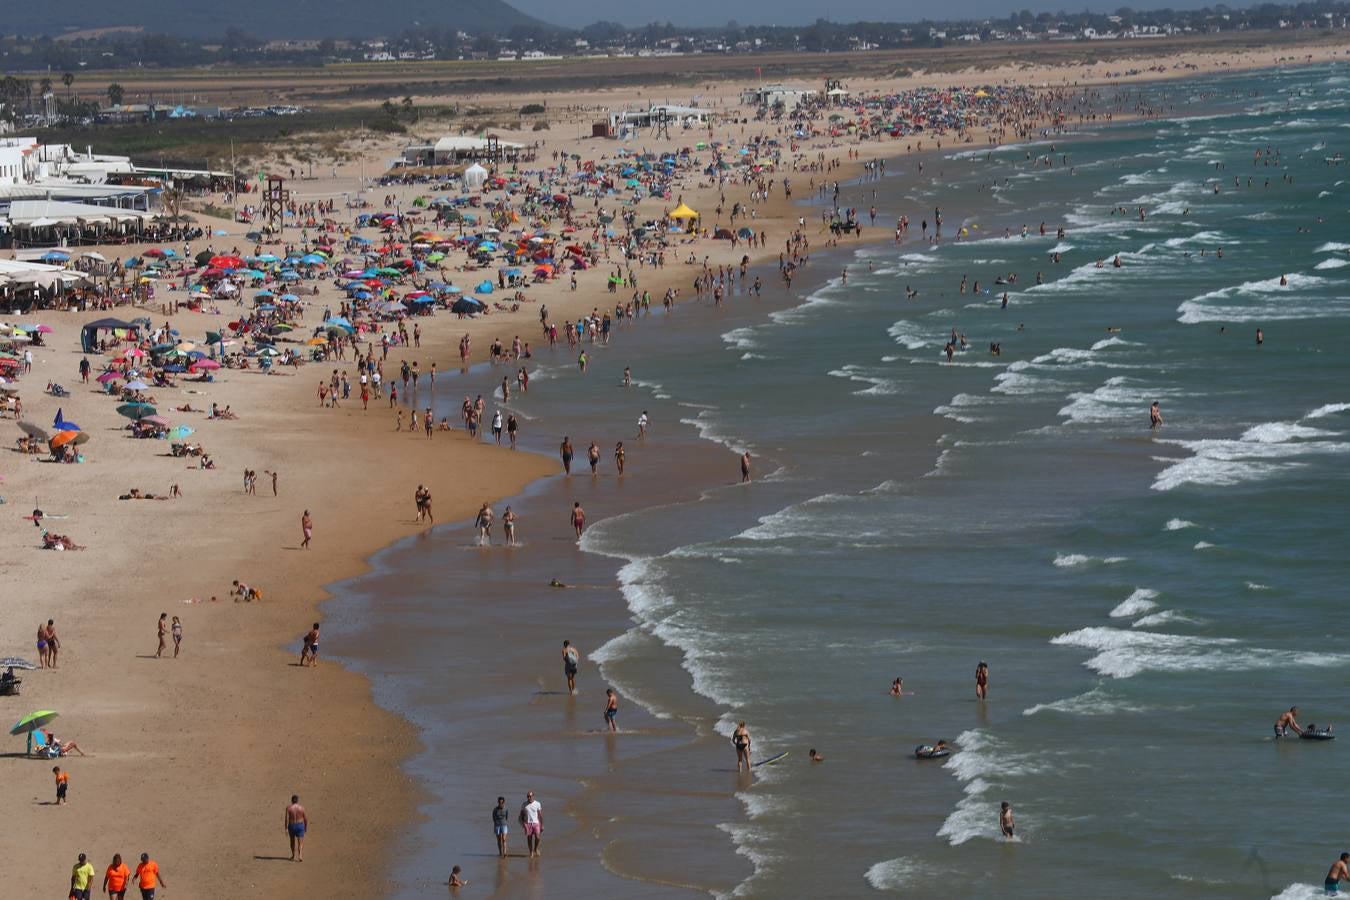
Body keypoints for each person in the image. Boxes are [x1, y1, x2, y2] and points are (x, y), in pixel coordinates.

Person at [285, 794, 308, 862]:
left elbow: (286, 819)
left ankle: (293, 855)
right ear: (297, 800)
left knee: (292, 842)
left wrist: (286, 828)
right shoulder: (301, 808)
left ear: (291, 800)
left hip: (291, 826)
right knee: (300, 842)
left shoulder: (288, 808)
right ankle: (300, 855)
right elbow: (306, 819)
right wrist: (305, 827)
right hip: (300, 826)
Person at [520, 792, 543, 858]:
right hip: (528, 824)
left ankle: (536, 848)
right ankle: (531, 852)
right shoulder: (524, 804)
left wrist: (542, 824)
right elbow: (521, 814)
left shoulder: (537, 804)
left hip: (536, 823)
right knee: (529, 838)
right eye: (528, 796)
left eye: (530, 796)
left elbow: (540, 815)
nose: (529, 798)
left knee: (537, 837)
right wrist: (523, 823)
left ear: (533, 796)